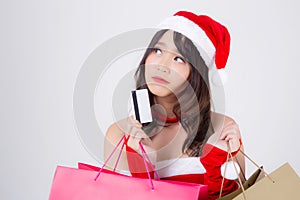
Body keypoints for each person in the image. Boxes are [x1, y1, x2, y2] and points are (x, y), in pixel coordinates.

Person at [104, 11, 245, 200]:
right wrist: (141, 164)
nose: (162, 65)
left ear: (196, 72)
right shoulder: (119, 135)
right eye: (158, 50)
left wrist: (217, 160)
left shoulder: (223, 130)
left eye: (179, 58)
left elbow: (242, 197)